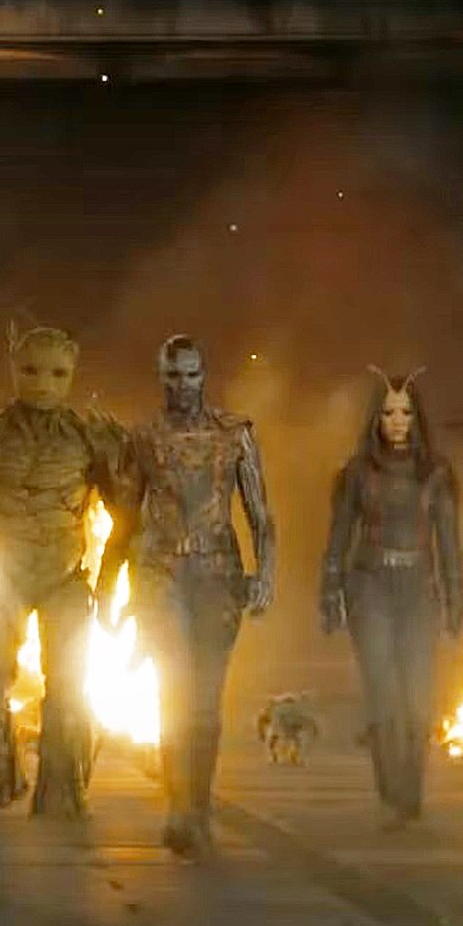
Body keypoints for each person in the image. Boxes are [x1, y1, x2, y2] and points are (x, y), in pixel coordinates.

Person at [0, 324, 130, 817]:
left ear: (72, 373)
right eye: (31, 370)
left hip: (65, 580)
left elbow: (129, 518)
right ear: (13, 369)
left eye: (57, 373)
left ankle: (62, 789)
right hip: (4, 579)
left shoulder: (89, 439)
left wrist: (110, 587)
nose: (43, 383)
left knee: (69, 693)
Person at [99, 334, 274, 861]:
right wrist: (107, 584)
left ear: (204, 376)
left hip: (218, 576)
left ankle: (197, 808)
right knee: (174, 692)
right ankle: (179, 808)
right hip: (160, 575)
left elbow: (260, 515)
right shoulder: (144, 437)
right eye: (174, 375)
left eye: (191, 375)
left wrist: (265, 573)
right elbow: (126, 518)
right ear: (162, 377)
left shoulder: (234, 435)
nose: (183, 385)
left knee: (206, 702)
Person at [319, 367, 463, 829]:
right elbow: (339, 537)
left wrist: (456, 598)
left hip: (419, 589)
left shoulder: (436, 474)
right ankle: (392, 795)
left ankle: (410, 794)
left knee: (417, 698)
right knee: (383, 695)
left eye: (405, 412)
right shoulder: (357, 473)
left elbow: (448, 541)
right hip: (370, 587)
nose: (397, 421)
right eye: (388, 413)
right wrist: (330, 593)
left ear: (417, 417)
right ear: (375, 418)